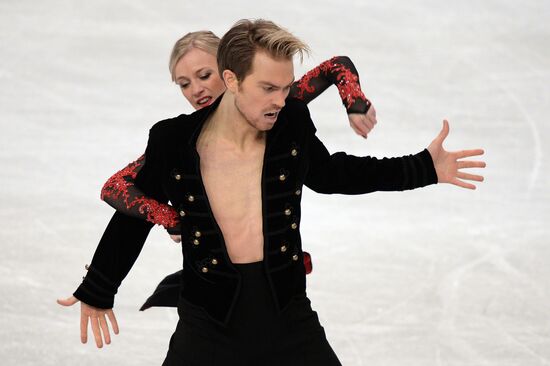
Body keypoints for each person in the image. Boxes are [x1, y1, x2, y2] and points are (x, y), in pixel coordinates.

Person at [60, 19, 485, 365]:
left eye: (285, 89)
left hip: (286, 310)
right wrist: (99, 287)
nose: (282, 100)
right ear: (235, 79)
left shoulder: (289, 124)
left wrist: (423, 167)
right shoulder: (172, 140)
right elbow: (129, 218)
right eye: (269, 88)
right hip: (208, 318)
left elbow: (335, 174)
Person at [62, 30, 377, 311]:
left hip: (275, 279)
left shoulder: (277, 101)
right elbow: (115, 187)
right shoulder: (182, 142)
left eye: (204, 75)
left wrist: (356, 103)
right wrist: (170, 217)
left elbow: (335, 66)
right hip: (217, 287)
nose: (195, 90)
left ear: (230, 72)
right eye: (184, 84)